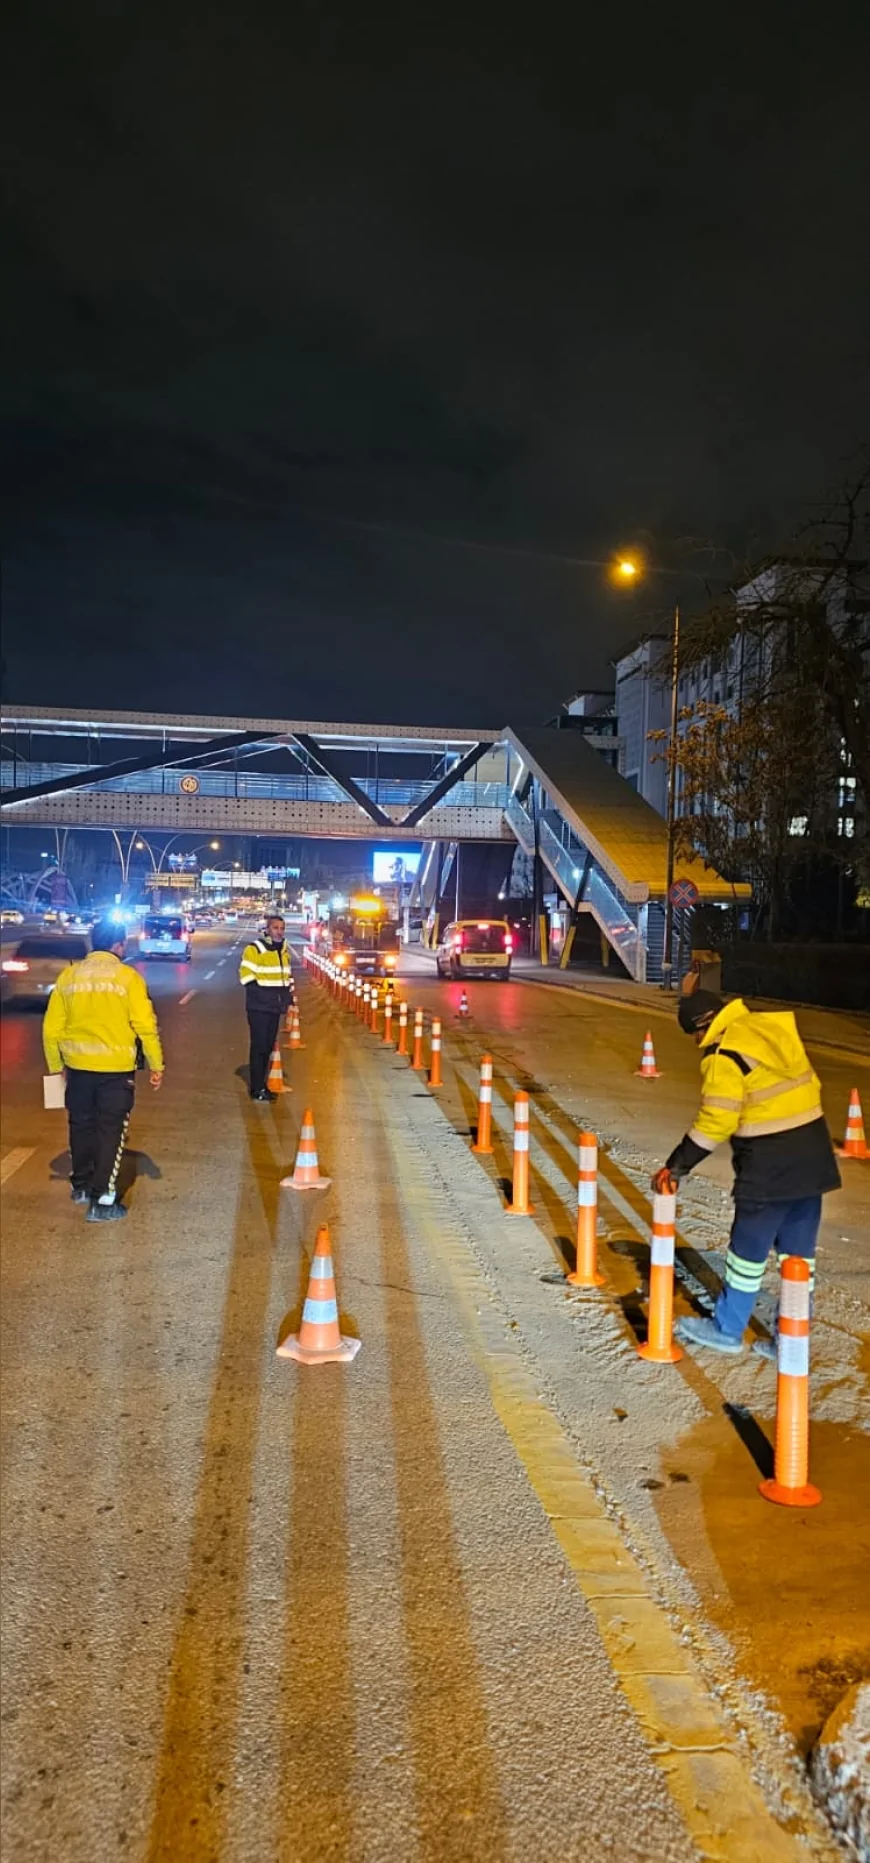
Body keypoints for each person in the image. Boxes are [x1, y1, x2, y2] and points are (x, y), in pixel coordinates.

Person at [652, 990, 840, 1357]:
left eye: (695, 1035)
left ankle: (727, 1329)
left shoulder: (724, 1054)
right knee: (798, 1258)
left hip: (770, 1167)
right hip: (813, 1158)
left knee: (746, 1253)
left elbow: (715, 1122)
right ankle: (791, 1340)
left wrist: (677, 1165)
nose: (696, 1043)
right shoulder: (770, 1029)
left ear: (704, 1025)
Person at [43, 916, 164, 1223]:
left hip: (77, 1069)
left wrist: (57, 1067)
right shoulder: (128, 978)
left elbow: (51, 1029)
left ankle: (81, 1185)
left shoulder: (69, 976)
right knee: (111, 1132)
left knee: (81, 1126)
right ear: (118, 945)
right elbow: (145, 1026)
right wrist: (156, 1064)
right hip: (115, 1072)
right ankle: (102, 1201)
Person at [239, 913, 294, 1101]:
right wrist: (265, 997)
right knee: (259, 1047)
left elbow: (285, 979)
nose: (279, 932)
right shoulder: (255, 949)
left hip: (274, 1008)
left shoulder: (283, 951)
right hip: (259, 1008)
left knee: (268, 1047)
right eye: (275, 928)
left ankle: (262, 1085)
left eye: (281, 928)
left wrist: (287, 1001)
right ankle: (256, 1089)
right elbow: (246, 977)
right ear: (267, 930)